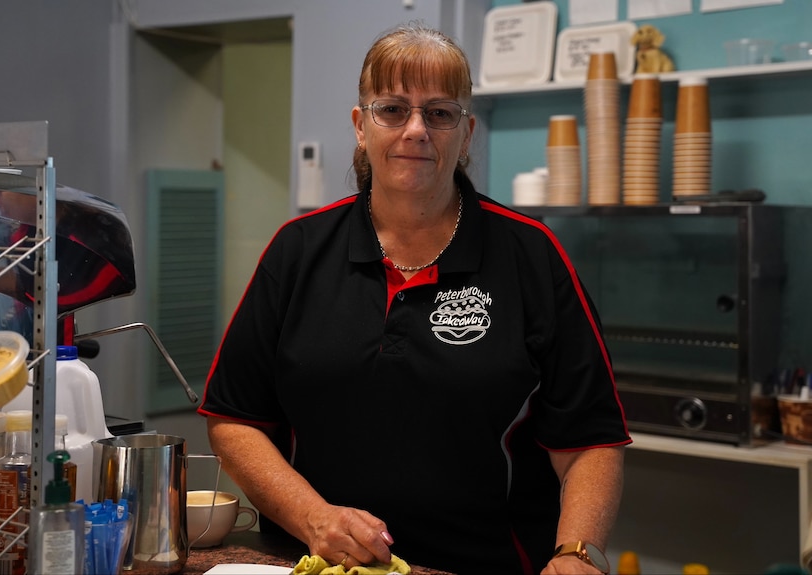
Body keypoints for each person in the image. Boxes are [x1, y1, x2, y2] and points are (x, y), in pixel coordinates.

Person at [198, 22, 631, 575]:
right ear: (361, 126)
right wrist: (313, 518)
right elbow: (235, 419)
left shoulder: (531, 255)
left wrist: (577, 554)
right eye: (393, 110)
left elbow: (591, 440)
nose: (416, 130)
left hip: (485, 564)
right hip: (315, 562)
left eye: (440, 113)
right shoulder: (298, 250)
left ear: (466, 134)